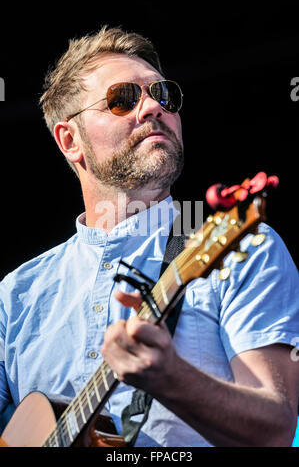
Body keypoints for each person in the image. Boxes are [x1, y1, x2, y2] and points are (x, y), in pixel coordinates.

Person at [0, 25, 298, 447]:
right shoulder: (15, 296)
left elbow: (276, 430)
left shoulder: (243, 246)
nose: (152, 108)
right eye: (123, 99)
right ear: (69, 140)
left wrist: (171, 377)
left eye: (164, 96)